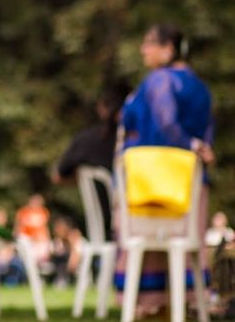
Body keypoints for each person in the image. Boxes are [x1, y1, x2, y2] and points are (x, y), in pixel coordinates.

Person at [116, 23, 214, 319]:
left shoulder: (160, 80)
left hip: (155, 185)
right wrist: (200, 150)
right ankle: (187, 301)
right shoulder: (201, 87)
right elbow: (208, 130)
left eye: (149, 44)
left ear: (168, 49)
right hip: (193, 185)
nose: (143, 50)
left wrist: (188, 145)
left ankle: (151, 305)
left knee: (149, 246)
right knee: (186, 246)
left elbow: (166, 123)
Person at [54, 85, 126, 238]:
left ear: (101, 108)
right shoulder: (132, 141)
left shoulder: (85, 140)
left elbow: (58, 177)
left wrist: (83, 177)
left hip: (98, 222)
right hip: (125, 217)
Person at [15, 193, 51, 270]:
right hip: (27, 238)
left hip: (40, 240)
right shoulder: (24, 211)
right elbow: (19, 226)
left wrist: (46, 238)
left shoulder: (44, 212)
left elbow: (44, 228)